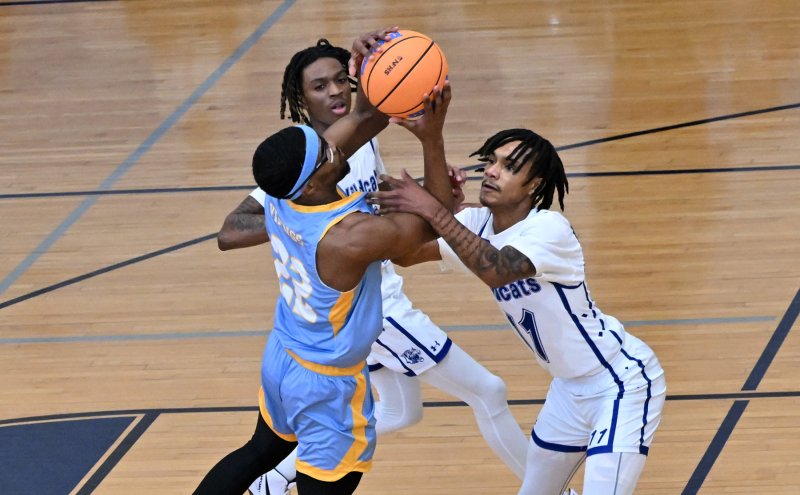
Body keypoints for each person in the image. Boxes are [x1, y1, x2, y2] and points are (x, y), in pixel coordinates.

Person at [216, 38, 528, 495]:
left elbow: (372, 112)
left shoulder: (295, 181)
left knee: (395, 413)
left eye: (342, 79)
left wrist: (376, 61)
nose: (337, 91)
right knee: (488, 391)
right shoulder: (333, 214)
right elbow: (429, 222)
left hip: (289, 347)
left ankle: (276, 478)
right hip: (352, 332)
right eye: (320, 86)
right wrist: (432, 143)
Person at [370, 128, 667, 495]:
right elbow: (406, 254)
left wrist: (434, 211)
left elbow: (497, 269)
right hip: (567, 393)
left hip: (619, 383)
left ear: (534, 185)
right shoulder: (477, 224)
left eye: (509, 167)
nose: (492, 171)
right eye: (490, 162)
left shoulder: (549, 228)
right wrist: (437, 186)